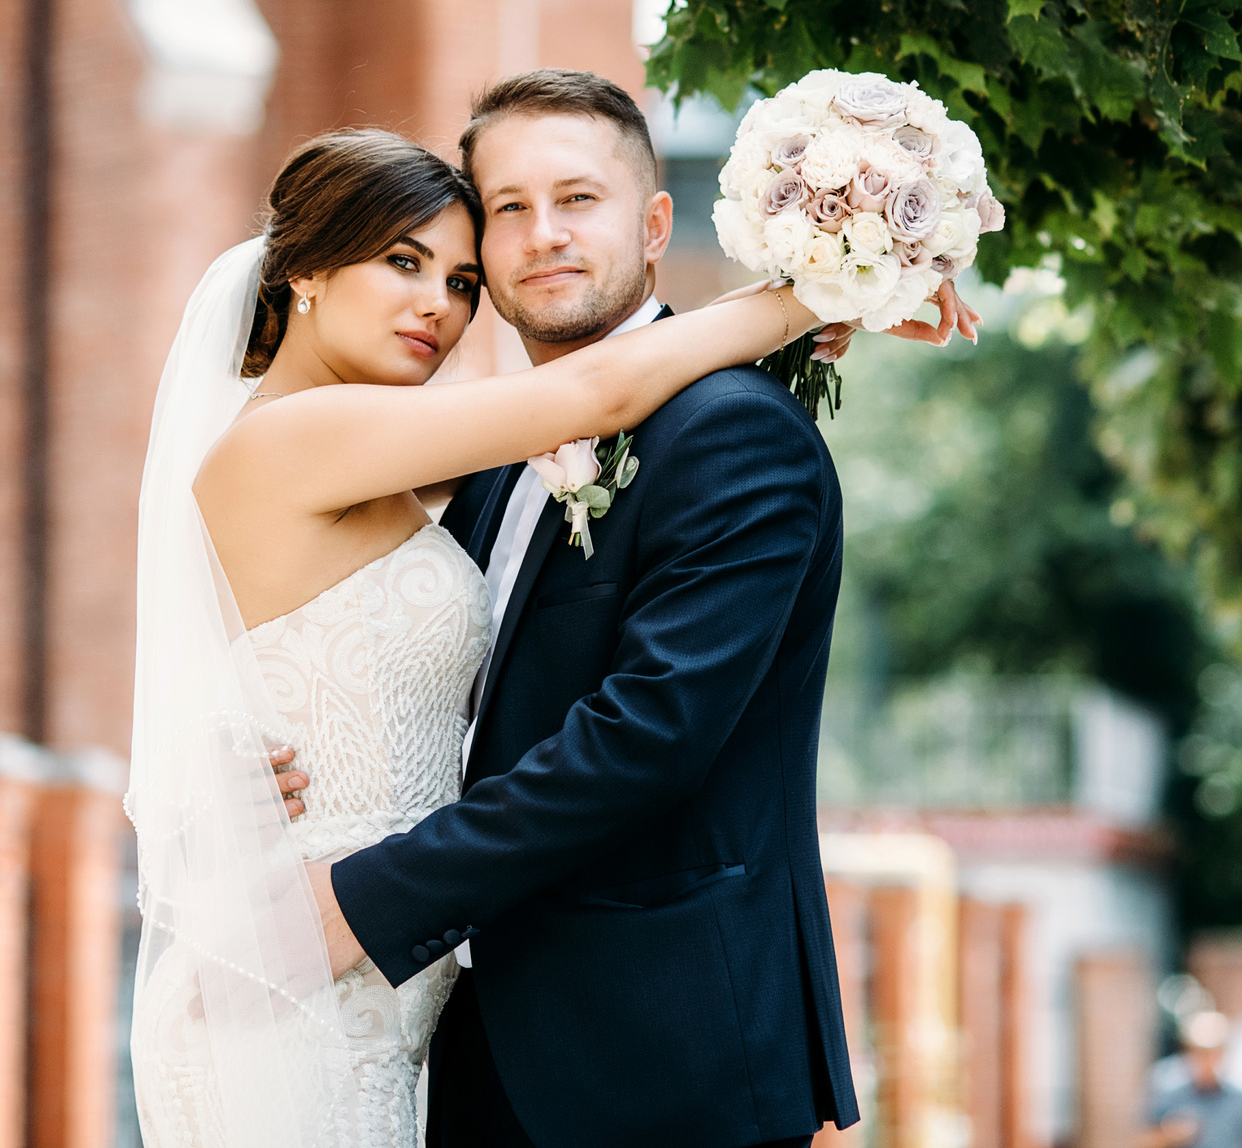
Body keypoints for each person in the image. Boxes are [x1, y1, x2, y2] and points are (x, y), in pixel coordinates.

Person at [124, 79, 977, 1148]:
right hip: (357, 996)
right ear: (301, 273)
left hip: (640, 1052)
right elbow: (591, 402)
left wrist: (352, 900)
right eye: (504, 213)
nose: (441, 300)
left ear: (656, 224)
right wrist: (818, 294)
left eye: (455, 275)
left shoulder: (723, 435)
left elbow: (645, 736)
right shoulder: (446, 451)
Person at [1139, 1012, 1242, 1148]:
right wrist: (1169, 1135)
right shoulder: (1169, 1094)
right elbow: (1142, 1141)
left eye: (1212, 1053)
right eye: (1200, 1053)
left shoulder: (1240, 1100)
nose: (1206, 1061)